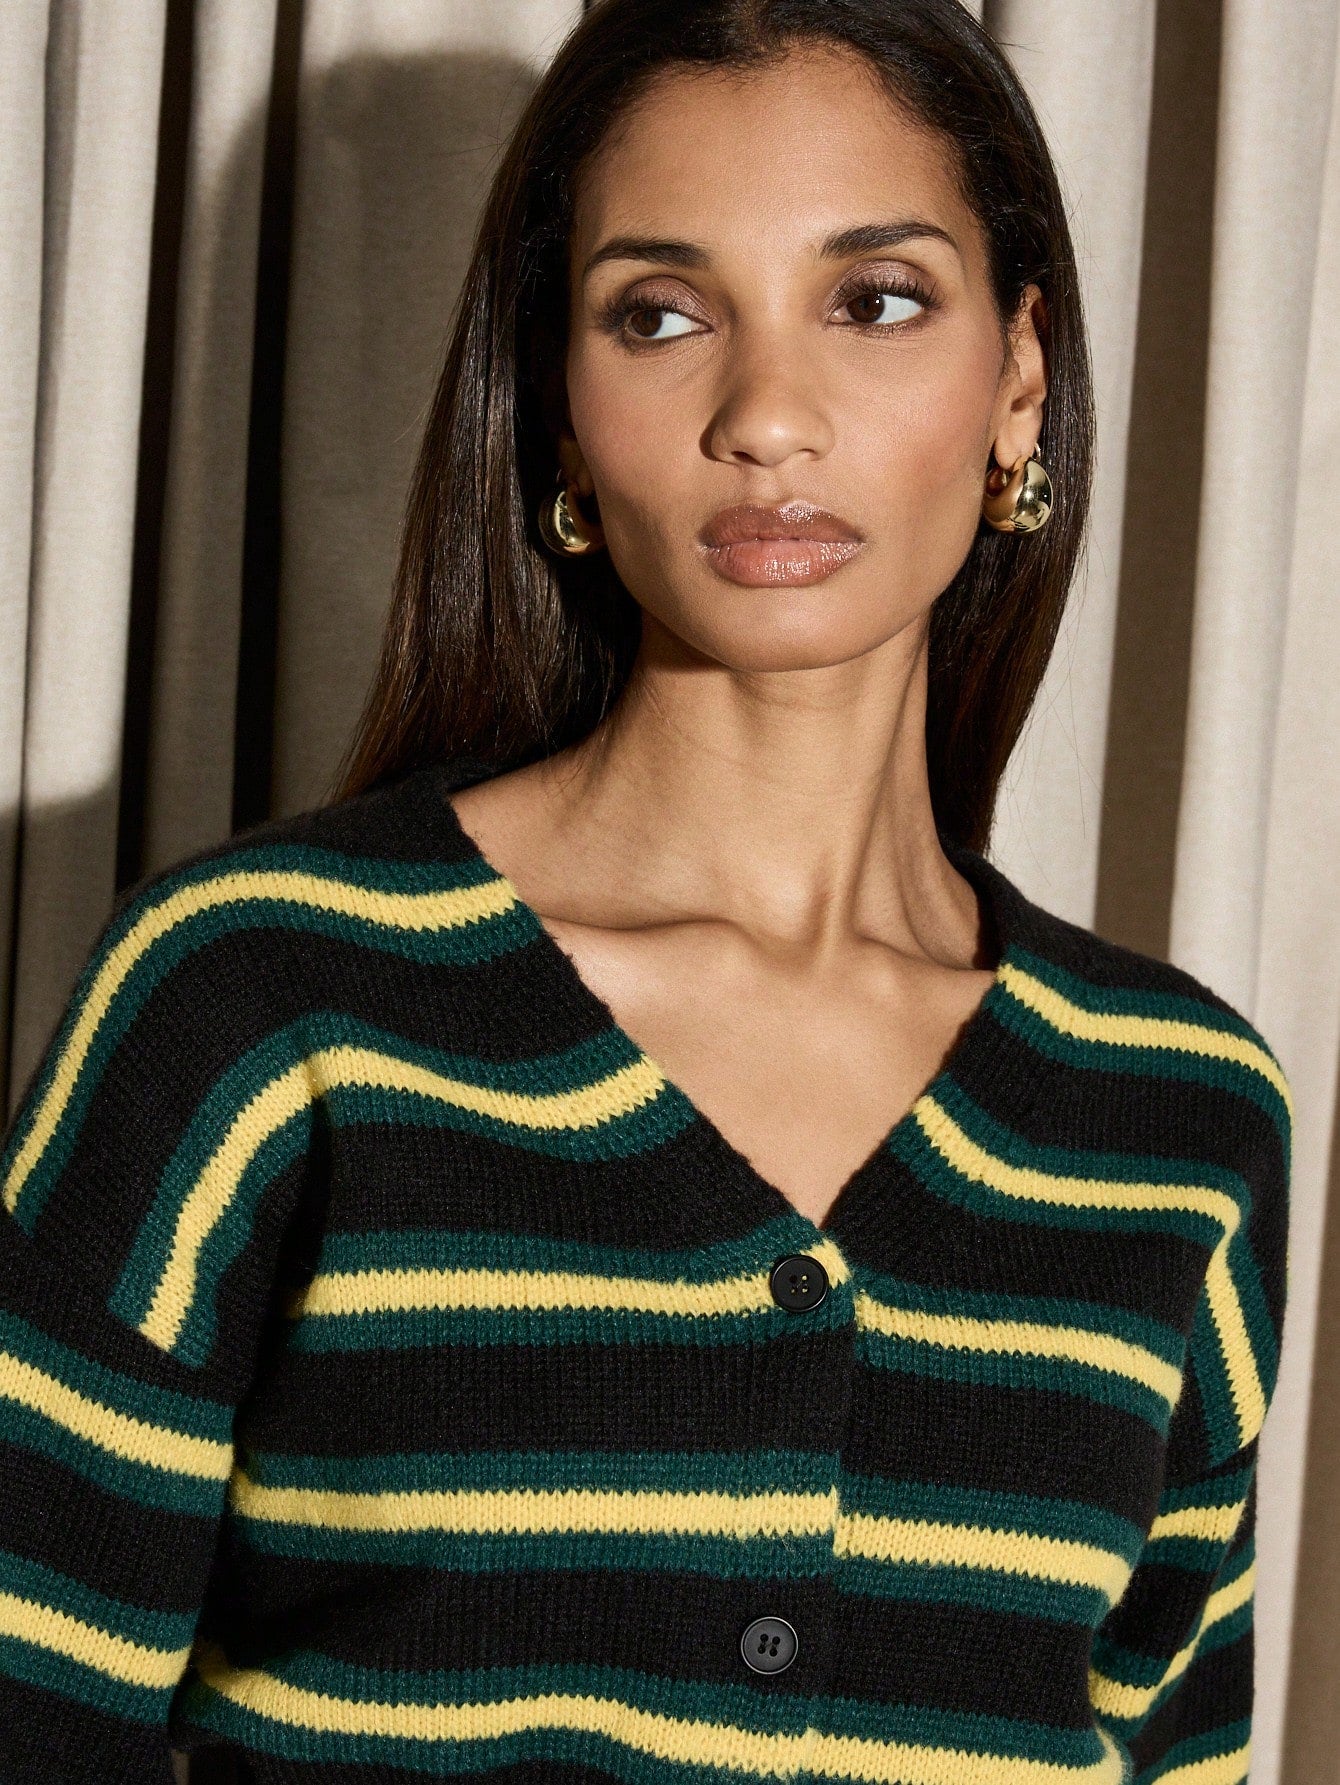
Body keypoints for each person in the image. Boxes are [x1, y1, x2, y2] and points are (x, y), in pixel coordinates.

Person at [0, 1, 1291, 1781]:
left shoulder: (1178, 1112)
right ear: (559, 401)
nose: (768, 418)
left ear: (1019, 378)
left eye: (876, 300)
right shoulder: (260, 1002)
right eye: (662, 315)